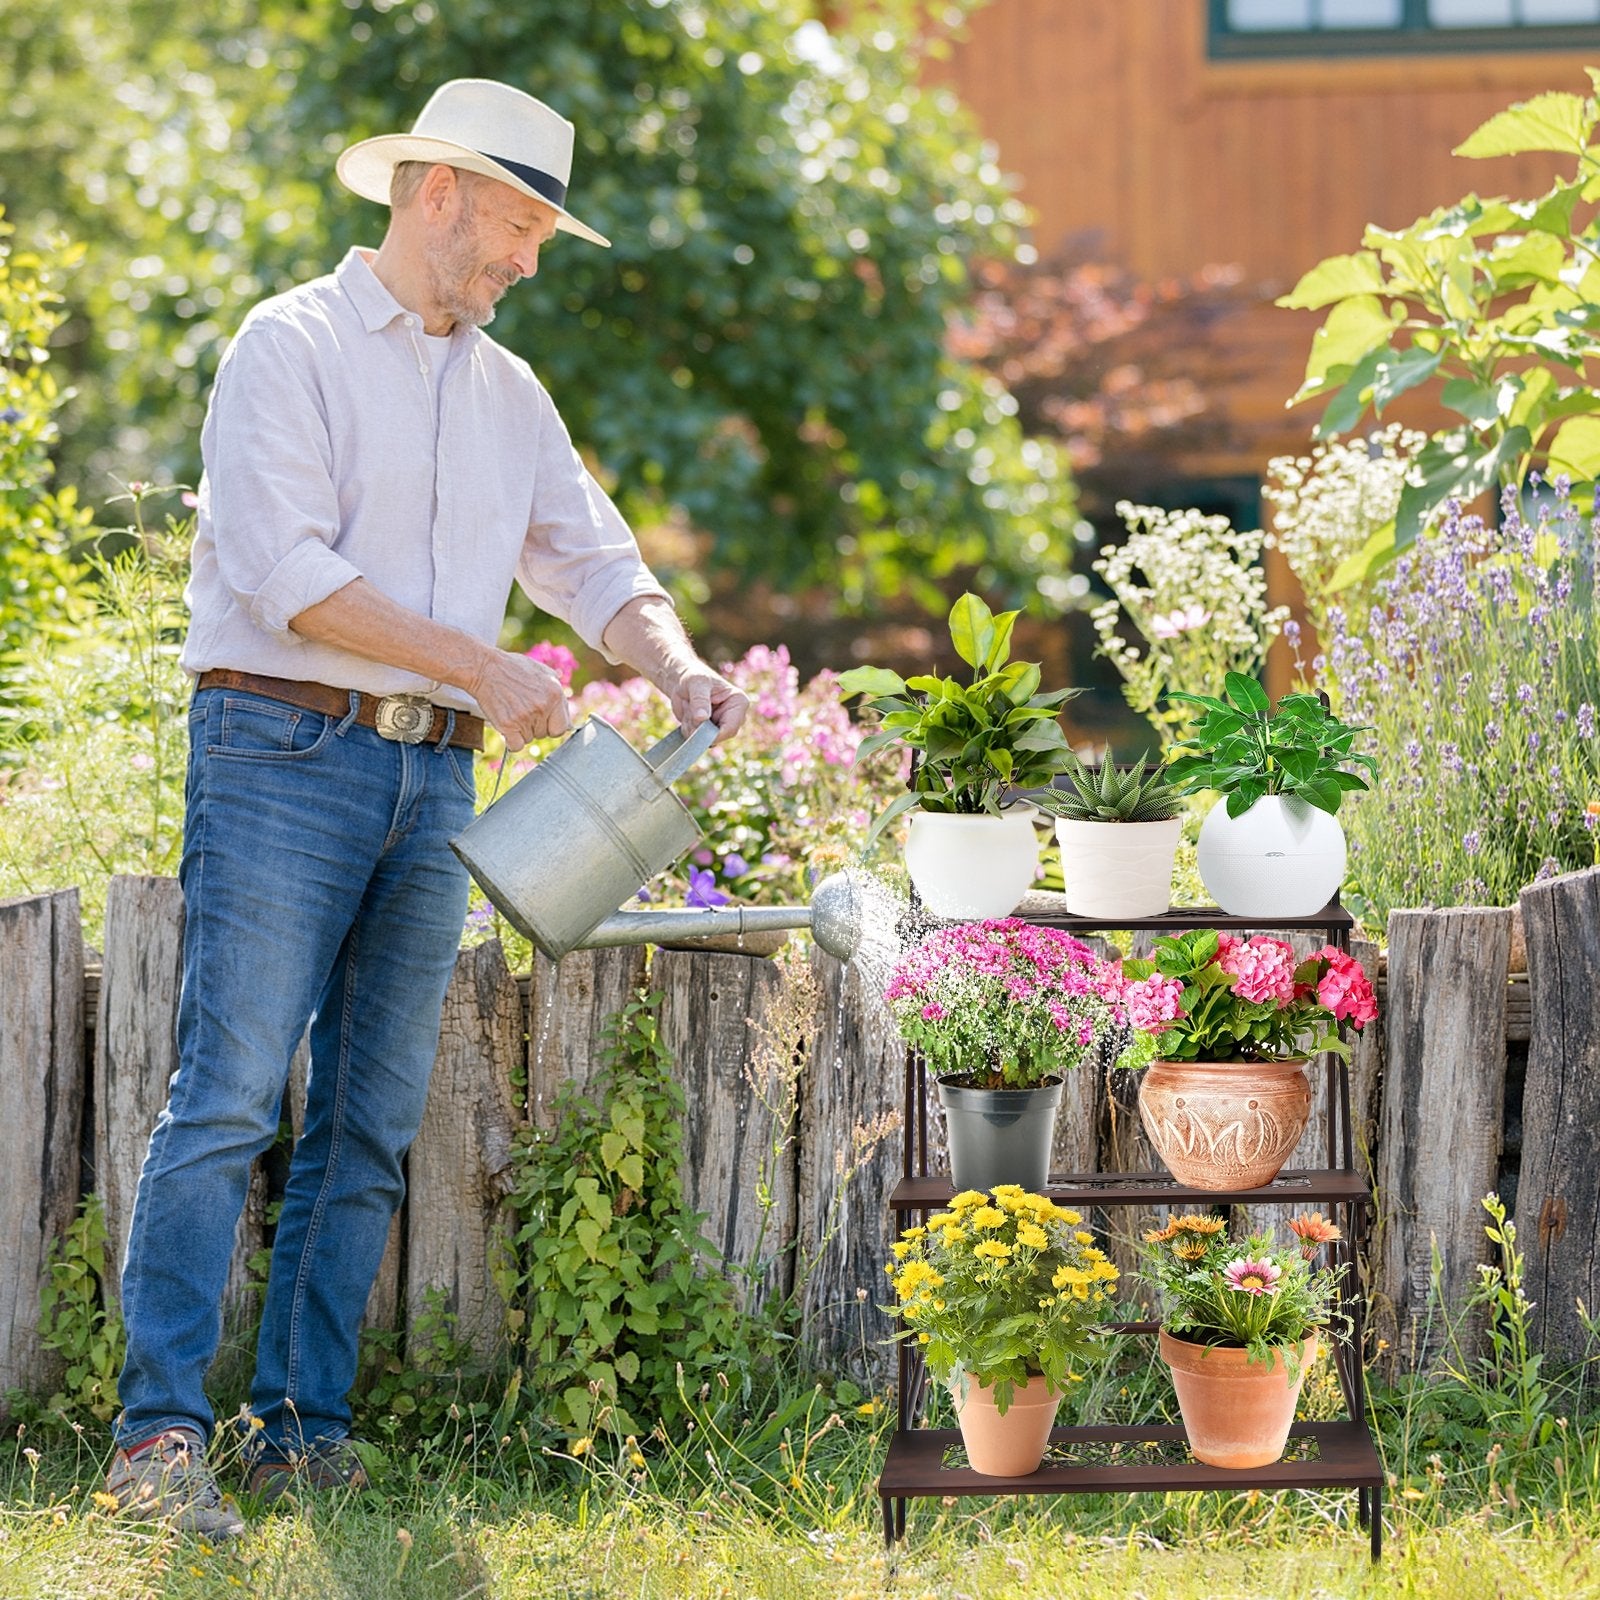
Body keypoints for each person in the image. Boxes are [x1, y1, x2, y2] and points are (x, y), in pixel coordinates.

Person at [106, 78, 748, 1535]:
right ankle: (157, 1443)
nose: (528, 260)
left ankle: (297, 1432)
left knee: (372, 1119)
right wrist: (479, 662)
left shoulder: (511, 393)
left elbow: (595, 567)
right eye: (520, 226)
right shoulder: (293, 346)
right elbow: (289, 577)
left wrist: (681, 664)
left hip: (434, 778)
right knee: (224, 1096)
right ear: (435, 193)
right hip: (281, 749)